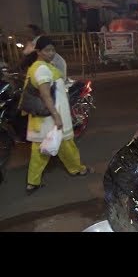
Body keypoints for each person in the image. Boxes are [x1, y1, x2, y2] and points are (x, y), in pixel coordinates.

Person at [23, 36, 93, 194]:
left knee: (48, 148)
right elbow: (45, 95)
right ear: (39, 51)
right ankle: (76, 170)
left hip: (44, 119)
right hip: (50, 117)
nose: (51, 53)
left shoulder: (41, 66)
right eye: (47, 50)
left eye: (53, 50)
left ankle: (33, 182)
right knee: (59, 146)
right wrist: (56, 117)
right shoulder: (41, 69)